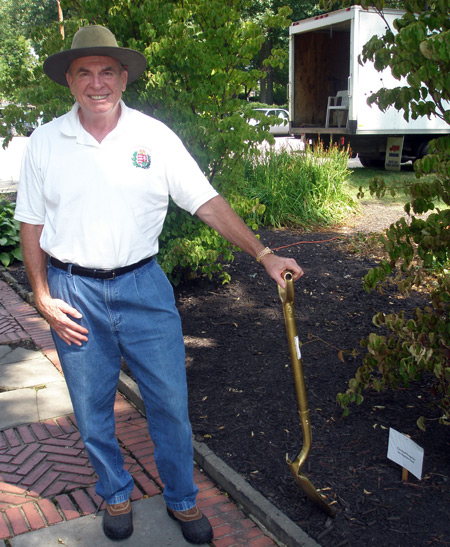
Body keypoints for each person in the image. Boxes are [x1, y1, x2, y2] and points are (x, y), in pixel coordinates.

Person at [15, 25, 303, 544]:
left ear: (124, 77)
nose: (97, 83)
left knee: (170, 402)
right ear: (70, 81)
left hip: (144, 289)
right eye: (85, 72)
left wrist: (262, 253)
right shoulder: (45, 142)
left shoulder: (153, 136)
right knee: (91, 407)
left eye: (107, 71)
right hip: (73, 293)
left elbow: (205, 200)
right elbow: (31, 222)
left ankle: (182, 499)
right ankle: (116, 493)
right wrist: (40, 294)